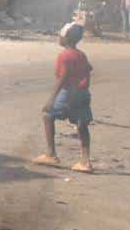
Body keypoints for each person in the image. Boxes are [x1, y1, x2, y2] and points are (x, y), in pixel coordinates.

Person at [35, 21, 94, 173]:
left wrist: (51, 100)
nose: (58, 38)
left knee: (48, 115)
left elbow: (62, 79)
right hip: (83, 93)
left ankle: (51, 154)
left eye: (60, 36)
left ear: (66, 39)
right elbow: (89, 68)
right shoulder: (81, 54)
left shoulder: (64, 56)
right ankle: (85, 162)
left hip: (69, 93)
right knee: (82, 125)